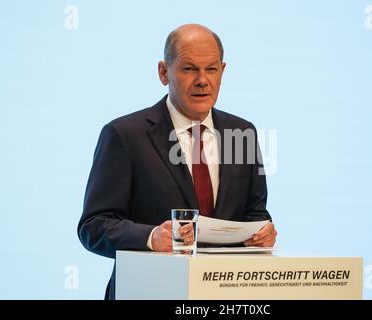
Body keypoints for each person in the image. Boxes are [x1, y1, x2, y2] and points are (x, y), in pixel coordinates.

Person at [78, 24, 277, 299]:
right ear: (163, 72)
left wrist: (262, 233)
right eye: (189, 69)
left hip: (223, 296)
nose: (202, 80)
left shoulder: (241, 133)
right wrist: (151, 237)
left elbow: (254, 213)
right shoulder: (125, 135)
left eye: (211, 69)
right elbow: (94, 226)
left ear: (223, 70)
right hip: (147, 291)